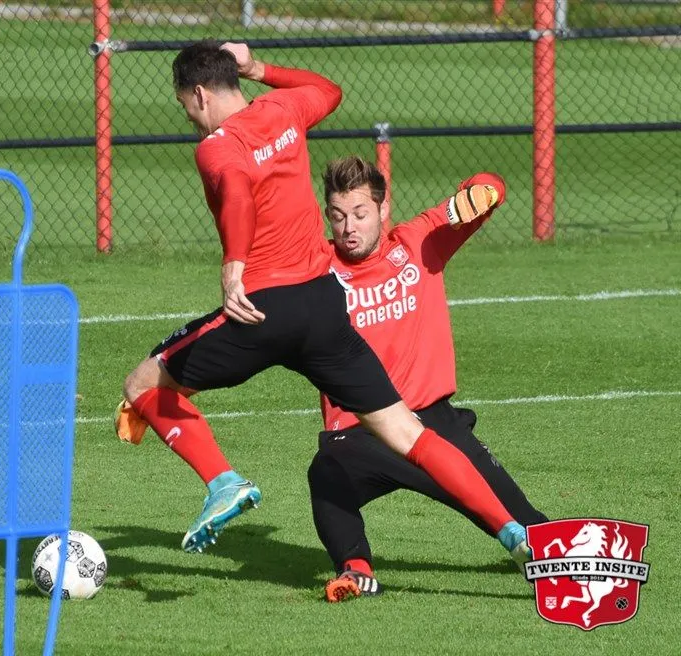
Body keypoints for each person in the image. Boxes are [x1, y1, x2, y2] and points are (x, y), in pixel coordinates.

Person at [114, 41, 531, 563]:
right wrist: (258, 67)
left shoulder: (216, 146)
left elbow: (239, 194)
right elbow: (328, 91)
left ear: (198, 94)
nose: (189, 116)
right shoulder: (282, 109)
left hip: (263, 311)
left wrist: (233, 266)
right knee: (406, 430)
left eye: (184, 104)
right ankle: (512, 532)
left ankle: (223, 481)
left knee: (143, 382)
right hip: (323, 304)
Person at [307, 156, 547, 602]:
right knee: (326, 473)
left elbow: (489, 182)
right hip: (364, 432)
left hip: (436, 426)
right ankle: (355, 569)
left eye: (360, 214)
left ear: (383, 210)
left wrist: (482, 192)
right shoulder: (315, 269)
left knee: (535, 530)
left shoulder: (419, 241)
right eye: (338, 217)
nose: (348, 227)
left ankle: (567, 556)